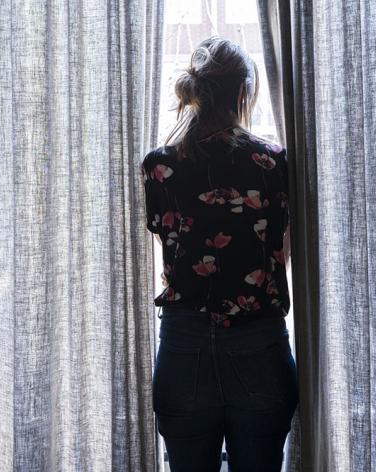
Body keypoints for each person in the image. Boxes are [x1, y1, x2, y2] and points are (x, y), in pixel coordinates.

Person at [140, 36, 298, 472]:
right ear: (243, 92)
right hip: (258, 344)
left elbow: (172, 249)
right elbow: (278, 251)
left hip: (183, 346)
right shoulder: (273, 162)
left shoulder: (159, 166)